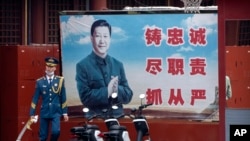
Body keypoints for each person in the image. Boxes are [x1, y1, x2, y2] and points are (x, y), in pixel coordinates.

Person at [75, 19, 133, 117]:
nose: (102, 41)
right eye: (98, 36)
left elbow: (128, 96)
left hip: (117, 118)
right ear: (91, 38)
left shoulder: (118, 64)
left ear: (110, 38)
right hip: (95, 119)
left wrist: (116, 89)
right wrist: (108, 91)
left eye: (105, 36)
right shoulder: (82, 65)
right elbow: (85, 97)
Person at [29, 57, 69, 141]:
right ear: (45, 67)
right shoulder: (40, 82)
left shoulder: (60, 80)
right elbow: (35, 99)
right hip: (45, 111)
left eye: (51, 67)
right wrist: (32, 113)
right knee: (43, 136)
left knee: (56, 132)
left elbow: (63, 97)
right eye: (48, 66)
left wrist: (65, 113)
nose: (49, 69)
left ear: (55, 68)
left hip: (56, 111)